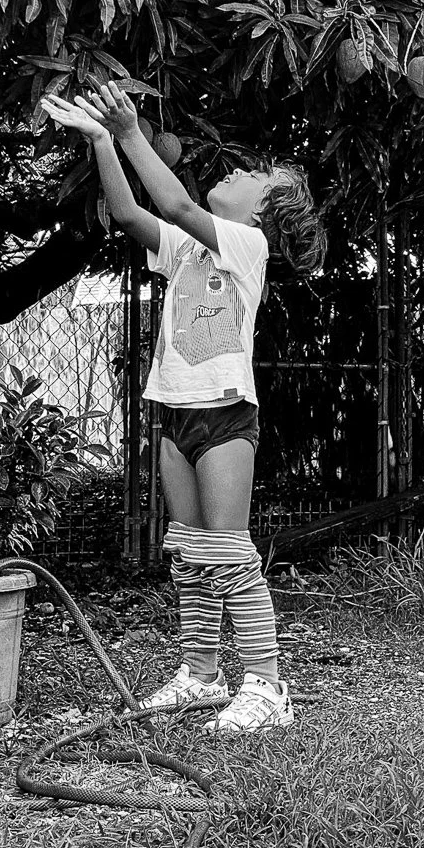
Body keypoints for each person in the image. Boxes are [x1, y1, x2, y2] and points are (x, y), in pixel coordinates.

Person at [40, 82, 327, 732]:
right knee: (193, 556)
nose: (239, 168)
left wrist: (131, 129)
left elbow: (169, 198)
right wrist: (102, 141)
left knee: (228, 554)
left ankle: (267, 686)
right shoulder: (192, 250)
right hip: (174, 416)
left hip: (225, 418)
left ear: (260, 214)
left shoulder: (246, 247)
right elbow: (132, 214)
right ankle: (201, 675)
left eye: (256, 175)